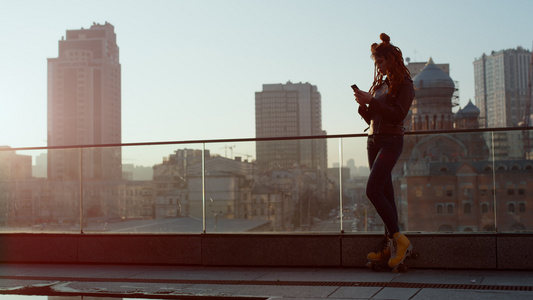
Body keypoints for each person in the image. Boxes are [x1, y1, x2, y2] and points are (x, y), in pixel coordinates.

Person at [353, 33, 415, 270]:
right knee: (386, 193)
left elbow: (398, 114)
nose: (377, 65)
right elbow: (374, 116)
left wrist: (373, 101)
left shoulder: (405, 86)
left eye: (380, 60)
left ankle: (400, 239)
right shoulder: (381, 86)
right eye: (376, 61)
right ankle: (392, 245)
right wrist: (363, 106)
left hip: (391, 142)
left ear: (391, 59)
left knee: (373, 190)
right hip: (373, 141)